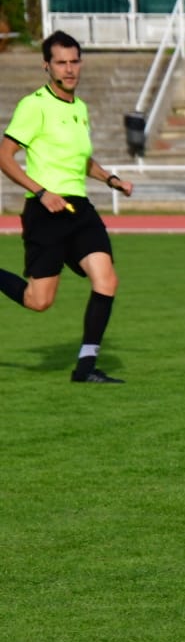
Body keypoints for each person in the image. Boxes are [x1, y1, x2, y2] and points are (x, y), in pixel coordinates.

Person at [0, 30, 133, 383]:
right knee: (38, 301)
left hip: (80, 211)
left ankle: (85, 368)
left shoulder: (81, 108)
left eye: (74, 61)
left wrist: (110, 179)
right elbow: (5, 156)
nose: (69, 69)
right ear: (47, 66)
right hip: (46, 212)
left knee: (106, 280)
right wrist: (41, 192)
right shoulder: (34, 105)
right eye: (61, 62)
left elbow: (82, 160)